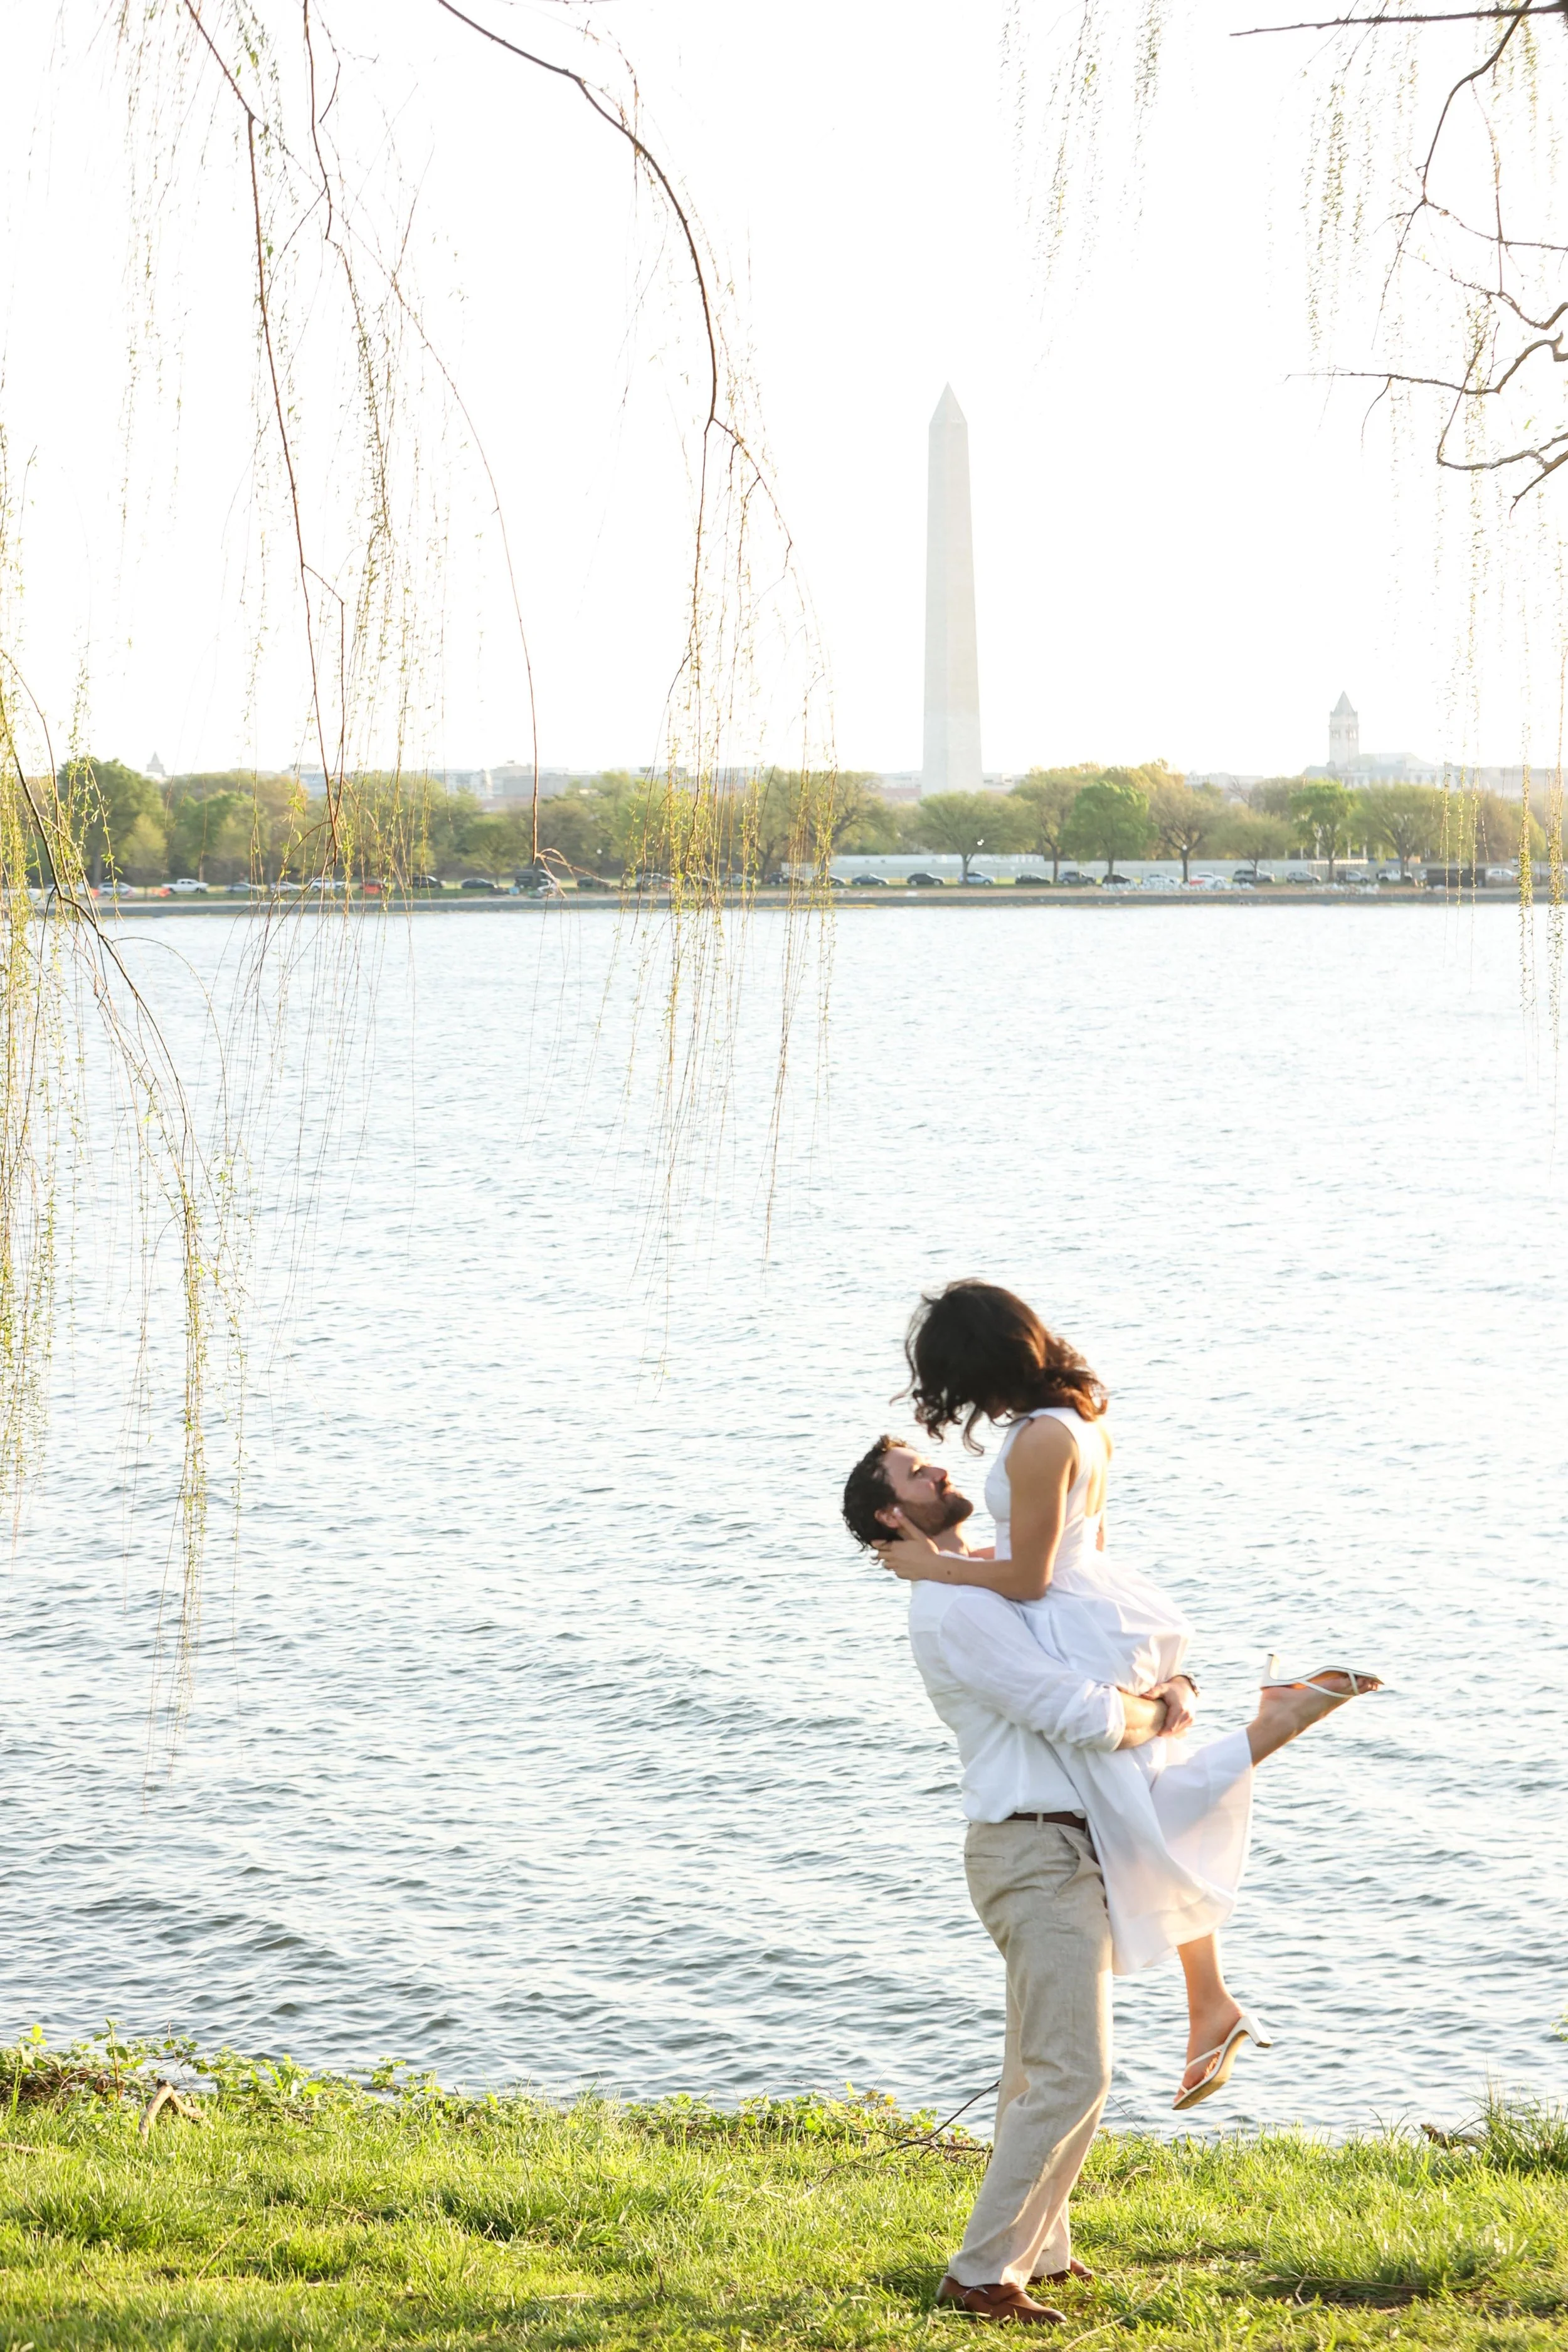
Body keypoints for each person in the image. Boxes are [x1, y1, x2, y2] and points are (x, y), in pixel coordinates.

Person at [850, 1281, 1383, 2119]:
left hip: (1068, 1614)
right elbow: (1073, 1542)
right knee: (1149, 1810)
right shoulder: (1078, 1423)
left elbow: (1032, 1576)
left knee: (1137, 1810)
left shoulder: (1035, 1440)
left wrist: (938, 1567)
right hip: (1101, 1602)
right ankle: (1210, 2001)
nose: (952, 1407)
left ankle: (1273, 1729)